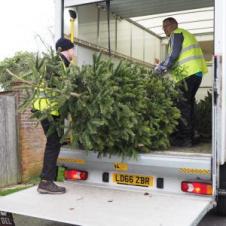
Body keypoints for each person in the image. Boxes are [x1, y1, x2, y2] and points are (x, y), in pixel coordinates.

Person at [154, 17, 208, 147]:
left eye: (166, 25)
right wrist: (161, 64)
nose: (164, 29)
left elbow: (173, 55)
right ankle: (193, 135)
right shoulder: (186, 34)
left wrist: (159, 70)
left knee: (181, 105)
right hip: (195, 74)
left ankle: (185, 139)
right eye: (163, 27)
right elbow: (172, 57)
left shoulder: (176, 33)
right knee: (188, 105)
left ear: (174, 25)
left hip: (187, 75)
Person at [33, 38, 75, 194]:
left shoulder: (60, 63)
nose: (74, 52)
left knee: (55, 143)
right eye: (73, 49)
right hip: (47, 110)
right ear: (66, 49)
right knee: (53, 144)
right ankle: (46, 182)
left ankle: (48, 180)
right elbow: (56, 87)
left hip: (49, 110)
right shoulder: (56, 64)